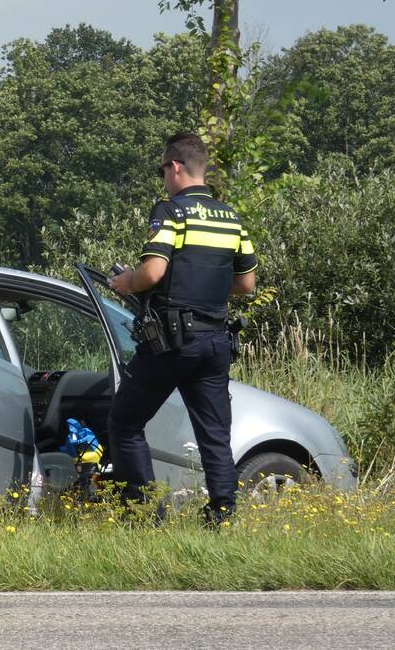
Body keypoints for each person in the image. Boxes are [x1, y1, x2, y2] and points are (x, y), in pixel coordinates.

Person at [107, 132, 257, 525]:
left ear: (175, 167)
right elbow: (246, 284)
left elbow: (153, 271)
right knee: (214, 436)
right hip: (216, 341)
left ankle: (144, 516)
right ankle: (222, 516)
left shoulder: (171, 211)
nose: (163, 178)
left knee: (125, 421)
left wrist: (127, 282)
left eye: (162, 169)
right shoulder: (231, 218)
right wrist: (200, 284)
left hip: (173, 342)